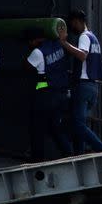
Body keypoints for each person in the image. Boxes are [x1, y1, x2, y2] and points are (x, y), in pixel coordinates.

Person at [59, 10, 102, 154]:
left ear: (77, 21)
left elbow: (82, 55)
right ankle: (79, 154)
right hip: (93, 88)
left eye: (72, 24)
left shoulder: (84, 37)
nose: (71, 28)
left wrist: (63, 43)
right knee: (80, 125)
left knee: (78, 124)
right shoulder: (94, 38)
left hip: (83, 86)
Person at [24, 27, 73, 162]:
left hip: (45, 95)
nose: (29, 44)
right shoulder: (58, 45)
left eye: (29, 42)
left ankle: (37, 160)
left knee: (37, 129)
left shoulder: (37, 52)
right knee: (55, 128)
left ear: (34, 40)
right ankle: (69, 155)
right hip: (61, 94)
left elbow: (27, 67)